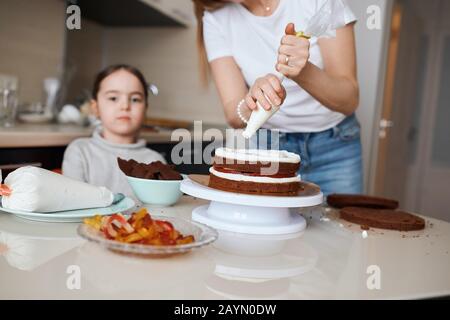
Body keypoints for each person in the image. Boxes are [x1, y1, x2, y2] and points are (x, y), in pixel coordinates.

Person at [192, 0, 363, 195]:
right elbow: (233, 113)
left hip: (335, 147)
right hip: (268, 149)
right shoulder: (216, 18)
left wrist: (303, 72)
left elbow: (349, 100)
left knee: (338, 224)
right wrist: (253, 102)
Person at [62, 64, 166, 198]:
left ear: (145, 108)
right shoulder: (80, 151)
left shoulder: (156, 161)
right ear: (95, 107)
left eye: (135, 99)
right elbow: (73, 201)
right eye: (113, 98)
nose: (125, 106)